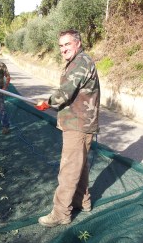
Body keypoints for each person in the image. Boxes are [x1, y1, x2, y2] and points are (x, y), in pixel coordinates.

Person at [37, 29, 100, 227]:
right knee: (78, 166)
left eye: (67, 44)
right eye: (61, 45)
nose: (63, 49)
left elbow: (65, 93)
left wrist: (46, 102)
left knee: (69, 169)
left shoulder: (81, 62)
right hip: (79, 123)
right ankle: (83, 201)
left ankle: (61, 214)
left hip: (78, 125)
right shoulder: (76, 61)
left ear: (78, 43)